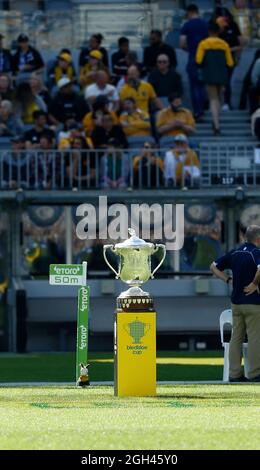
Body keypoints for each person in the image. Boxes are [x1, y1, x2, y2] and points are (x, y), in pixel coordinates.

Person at [210, 225, 260, 382]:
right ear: (258, 239)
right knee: (254, 338)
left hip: (236, 303)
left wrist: (228, 280)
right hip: (253, 303)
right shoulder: (256, 253)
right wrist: (254, 283)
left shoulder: (234, 252)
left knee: (236, 338)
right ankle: (254, 374)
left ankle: (234, 374)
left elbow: (213, 266)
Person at [196, 21, 234, 136]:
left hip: (209, 74)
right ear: (218, 32)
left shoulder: (203, 44)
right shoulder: (224, 44)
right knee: (218, 98)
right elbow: (230, 63)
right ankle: (215, 121)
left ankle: (216, 126)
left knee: (213, 99)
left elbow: (198, 60)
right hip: (222, 74)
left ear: (209, 31)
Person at [180, 4, 208, 120]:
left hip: (193, 58)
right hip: (206, 58)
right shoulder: (206, 24)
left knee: (194, 85)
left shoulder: (186, 25)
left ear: (189, 12)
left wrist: (191, 50)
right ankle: (203, 109)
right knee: (203, 86)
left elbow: (181, 44)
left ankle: (197, 111)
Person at [213, 7, 244, 110]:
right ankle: (215, 103)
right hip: (216, 58)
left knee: (227, 81)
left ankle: (226, 102)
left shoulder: (233, 26)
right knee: (215, 81)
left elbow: (241, 43)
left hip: (229, 58)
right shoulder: (214, 27)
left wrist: (237, 56)